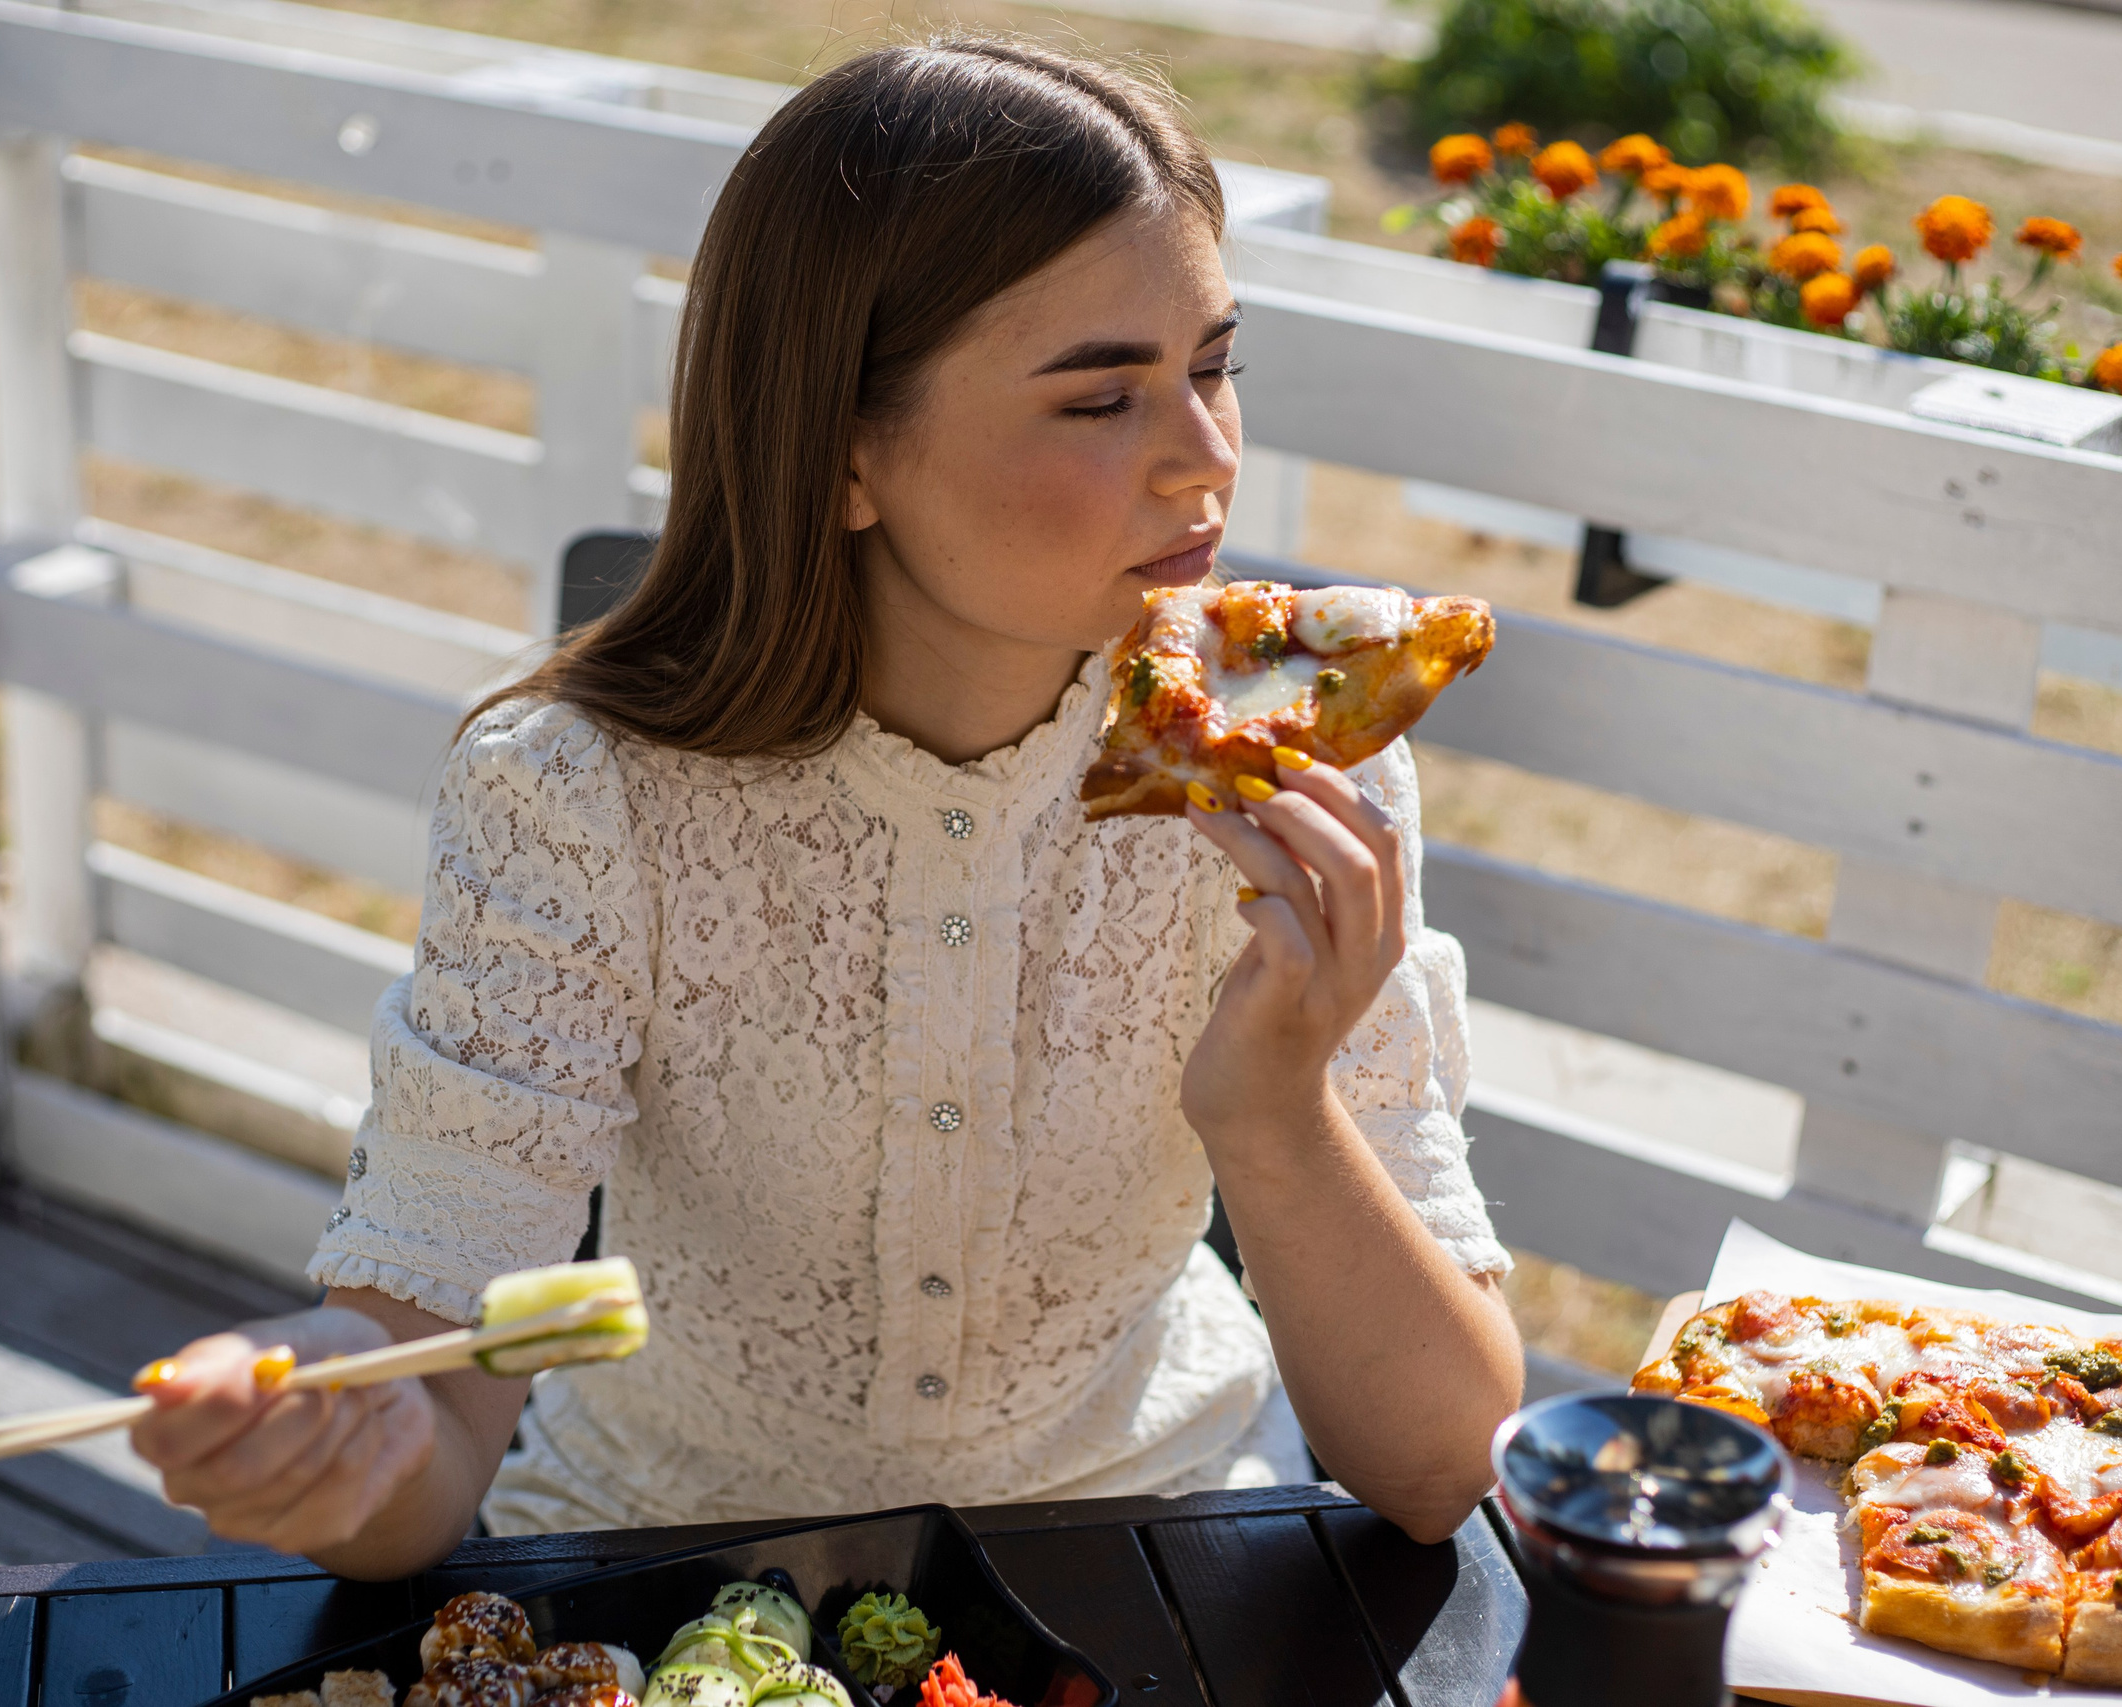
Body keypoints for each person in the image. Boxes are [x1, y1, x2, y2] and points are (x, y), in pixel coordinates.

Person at [125, 33, 1524, 1580]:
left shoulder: (1292, 760)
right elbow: (430, 1397)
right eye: (1100, 399)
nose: (1205, 462)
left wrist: (1276, 1114)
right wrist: (336, 1451)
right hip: (664, 1568)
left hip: (1156, 1548)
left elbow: (1438, 1468)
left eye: (1212, 367)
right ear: (847, 450)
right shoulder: (571, 801)